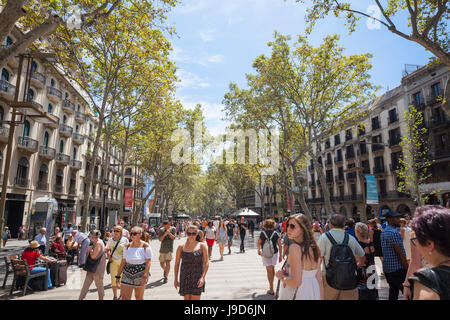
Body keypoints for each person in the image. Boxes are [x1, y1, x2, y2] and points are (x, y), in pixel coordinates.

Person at [317, 213, 365, 300]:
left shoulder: (324, 238)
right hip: (349, 279)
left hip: (329, 279)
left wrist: (318, 277)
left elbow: (318, 259)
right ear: (344, 225)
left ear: (330, 224)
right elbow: (362, 256)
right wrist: (358, 265)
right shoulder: (351, 238)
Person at [406, 205, 450, 300]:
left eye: (416, 240)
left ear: (429, 243)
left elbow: (415, 261)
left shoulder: (427, 279)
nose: (416, 245)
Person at [276, 214, 323, 300]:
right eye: (287, 226)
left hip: (298, 293)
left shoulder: (295, 248)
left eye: (292, 226)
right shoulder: (315, 248)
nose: (288, 229)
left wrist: (281, 277)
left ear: (302, 229)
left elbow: (296, 281)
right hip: (314, 290)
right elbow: (319, 278)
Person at [115, 227, 152, 300]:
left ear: (140, 234)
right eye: (131, 233)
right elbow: (123, 261)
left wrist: (145, 276)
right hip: (127, 273)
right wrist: (118, 276)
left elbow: (148, 262)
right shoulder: (127, 246)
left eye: (134, 233)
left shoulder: (145, 246)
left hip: (140, 274)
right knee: (125, 298)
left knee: (138, 297)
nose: (132, 235)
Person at [174, 225, 209, 300]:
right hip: (185, 277)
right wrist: (175, 279)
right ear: (186, 234)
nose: (191, 236)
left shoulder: (202, 246)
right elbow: (177, 264)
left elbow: (206, 263)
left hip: (197, 277)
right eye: (189, 233)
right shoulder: (181, 247)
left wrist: (202, 277)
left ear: (197, 234)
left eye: (193, 233)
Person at [381, 211, 409, 300]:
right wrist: (407, 268)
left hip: (388, 269)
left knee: (393, 292)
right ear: (389, 219)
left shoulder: (384, 232)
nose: (398, 220)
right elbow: (399, 252)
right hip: (398, 269)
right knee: (408, 292)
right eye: (396, 218)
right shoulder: (394, 232)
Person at [79, 230, 106, 300]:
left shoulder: (98, 243)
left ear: (92, 237)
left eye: (89, 236)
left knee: (98, 285)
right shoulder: (97, 242)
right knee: (86, 285)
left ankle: (101, 298)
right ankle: (80, 298)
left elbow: (94, 256)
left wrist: (90, 250)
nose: (89, 238)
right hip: (93, 268)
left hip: (97, 269)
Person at [257, 219, 282, 295]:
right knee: (272, 268)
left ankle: (271, 288)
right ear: (273, 225)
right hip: (274, 253)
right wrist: (281, 255)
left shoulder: (262, 233)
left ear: (265, 225)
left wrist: (258, 250)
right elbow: (280, 245)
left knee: (268, 270)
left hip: (265, 253)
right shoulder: (276, 233)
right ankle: (272, 286)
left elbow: (258, 243)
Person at [355, 222, 378, 300]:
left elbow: (358, 261)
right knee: (373, 295)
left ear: (357, 232)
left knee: (363, 295)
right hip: (373, 271)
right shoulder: (371, 243)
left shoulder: (358, 245)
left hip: (363, 273)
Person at [106, 225, 129, 300]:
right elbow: (107, 249)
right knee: (113, 280)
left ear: (121, 232)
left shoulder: (125, 240)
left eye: (117, 231)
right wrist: (109, 257)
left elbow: (128, 250)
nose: (115, 232)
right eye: (114, 230)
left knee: (122, 280)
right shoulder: (110, 240)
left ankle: (121, 295)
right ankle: (115, 296)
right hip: (113, 263)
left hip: (123, 263)